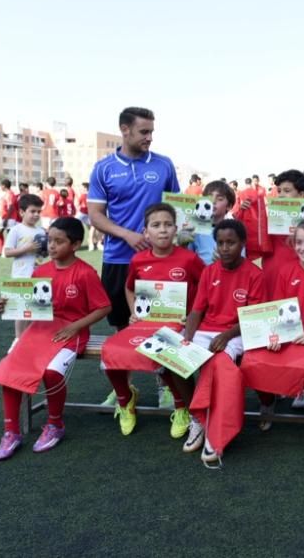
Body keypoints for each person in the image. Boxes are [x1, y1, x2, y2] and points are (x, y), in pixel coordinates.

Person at [0, 217, 112, 460]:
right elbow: (28, 304)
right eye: (50, 240)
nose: (53, 246)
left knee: (52, 372)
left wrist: (76, 326)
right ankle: (11, 431)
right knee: (8, 369)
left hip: (71, 332)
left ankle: (55, 424)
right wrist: (6, 305)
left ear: (76, 244)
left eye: (59, 241)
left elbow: (104, 307)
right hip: (40, 331)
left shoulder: (85, 273)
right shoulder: (40, 271)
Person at [88, 106, 181, 408]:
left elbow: (179, 208)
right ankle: (123, 389)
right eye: (144, 132)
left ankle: (165, 385)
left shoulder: (164, 165)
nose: (149, 137)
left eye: (152, 132)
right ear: (124, 130)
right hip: (118, 259)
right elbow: (95, 216)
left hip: (160, 264)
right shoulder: (103, 168)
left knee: (162, 324)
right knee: (123, 326)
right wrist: (127, 235)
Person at [101, 203, 205, 438]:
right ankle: (125, 399)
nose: (163, 230)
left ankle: (181, 407)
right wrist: (133, 313)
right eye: (156, 225)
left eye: (168, 225)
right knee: (111, 350)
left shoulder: (189, 259)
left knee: (168, 350)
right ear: (146, 231)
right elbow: (129, 289)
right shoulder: (138, 260)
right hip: (145, 322)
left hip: (177, 325)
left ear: (176, 229)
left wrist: (193, 315)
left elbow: (206, 287)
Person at [247, 220, 304, 444]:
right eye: (299, 242)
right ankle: (268, 402)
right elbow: (278, 309)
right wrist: (275, 335)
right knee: (251, 360)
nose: (303, 247)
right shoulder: (286, 271)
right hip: (289, 333)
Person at [180, 219, 265, 464]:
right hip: (207, 330)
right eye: (221, 243)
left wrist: (226, 336)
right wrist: (187, 338)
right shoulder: (209, 271)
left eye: (231, 242)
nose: (225, 247)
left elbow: (254, 318)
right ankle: (197, 416)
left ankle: (208, 424)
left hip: (238, 333)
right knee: (175, 360)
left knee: (216, 362)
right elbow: (197, 311)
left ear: (242, 244)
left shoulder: (254, 275)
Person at [260, 169, 304, 294]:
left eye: (287, 191)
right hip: (273, 275)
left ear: (301, 195)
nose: (281, 195)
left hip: (299, 277)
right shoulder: (271, 218)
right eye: (279, 191)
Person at [3, 194, 46, 339]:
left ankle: (29, 339)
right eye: (32, 211)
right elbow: (7, 252)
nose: (36, 215)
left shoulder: (41, 231)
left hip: (38, 276)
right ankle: (18, 339)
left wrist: (44, 251)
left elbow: (43, 254)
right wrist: (25, 249)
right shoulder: (16, 230)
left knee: (34, 311)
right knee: (20, 311)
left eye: (39, 212)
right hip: (20, 275)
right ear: (22, 212)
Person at [185, 180, 236, 266]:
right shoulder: (195, 229)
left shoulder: (235, 232)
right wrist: (183, 244)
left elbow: (241, 263)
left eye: (219, 199)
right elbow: (187, 258)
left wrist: (228, 262)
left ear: (229, 206)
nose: (213, 202)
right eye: (209, 197)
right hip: (201, 277)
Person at [0, 179, 19, 256]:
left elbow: (11, 207)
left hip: (9, 218)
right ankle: (3, 249)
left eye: (1, 185)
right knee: (0, 233)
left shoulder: (10, 194)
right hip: (5, 217)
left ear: (4, 186)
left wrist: (6, 218)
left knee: (9, 234)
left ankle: (8, 251)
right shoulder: (8, 194)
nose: (0, 187)